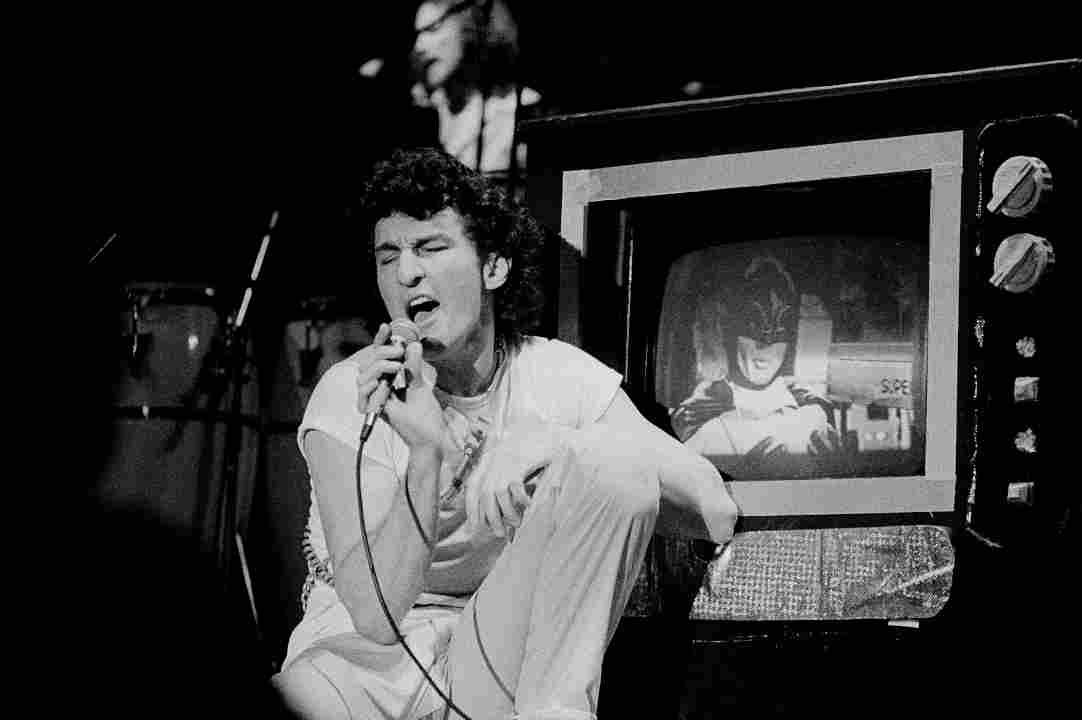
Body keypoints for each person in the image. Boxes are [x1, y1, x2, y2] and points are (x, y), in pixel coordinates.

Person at [270, 147, 739, 720]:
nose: (405, 273)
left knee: (612, 462)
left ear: (494, 267)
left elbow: (713, 507)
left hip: (488, 648)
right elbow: (375, 618)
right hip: (360, 664)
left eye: (430, 248)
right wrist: (426, 452)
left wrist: (557, 442)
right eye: (387, 255)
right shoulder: (351, 393)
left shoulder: (552, 374)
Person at [670, 254, 839, 476]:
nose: (766, 343)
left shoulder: (814, 416)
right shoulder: (697, 421)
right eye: (752, 324)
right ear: (730, 330)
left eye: (781, 329)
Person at [409, 0, 539, 181]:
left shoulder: (522, 110)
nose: (419, 46)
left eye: (433, 28)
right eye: (417, 34)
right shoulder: (422, 114)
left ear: (471, 21)